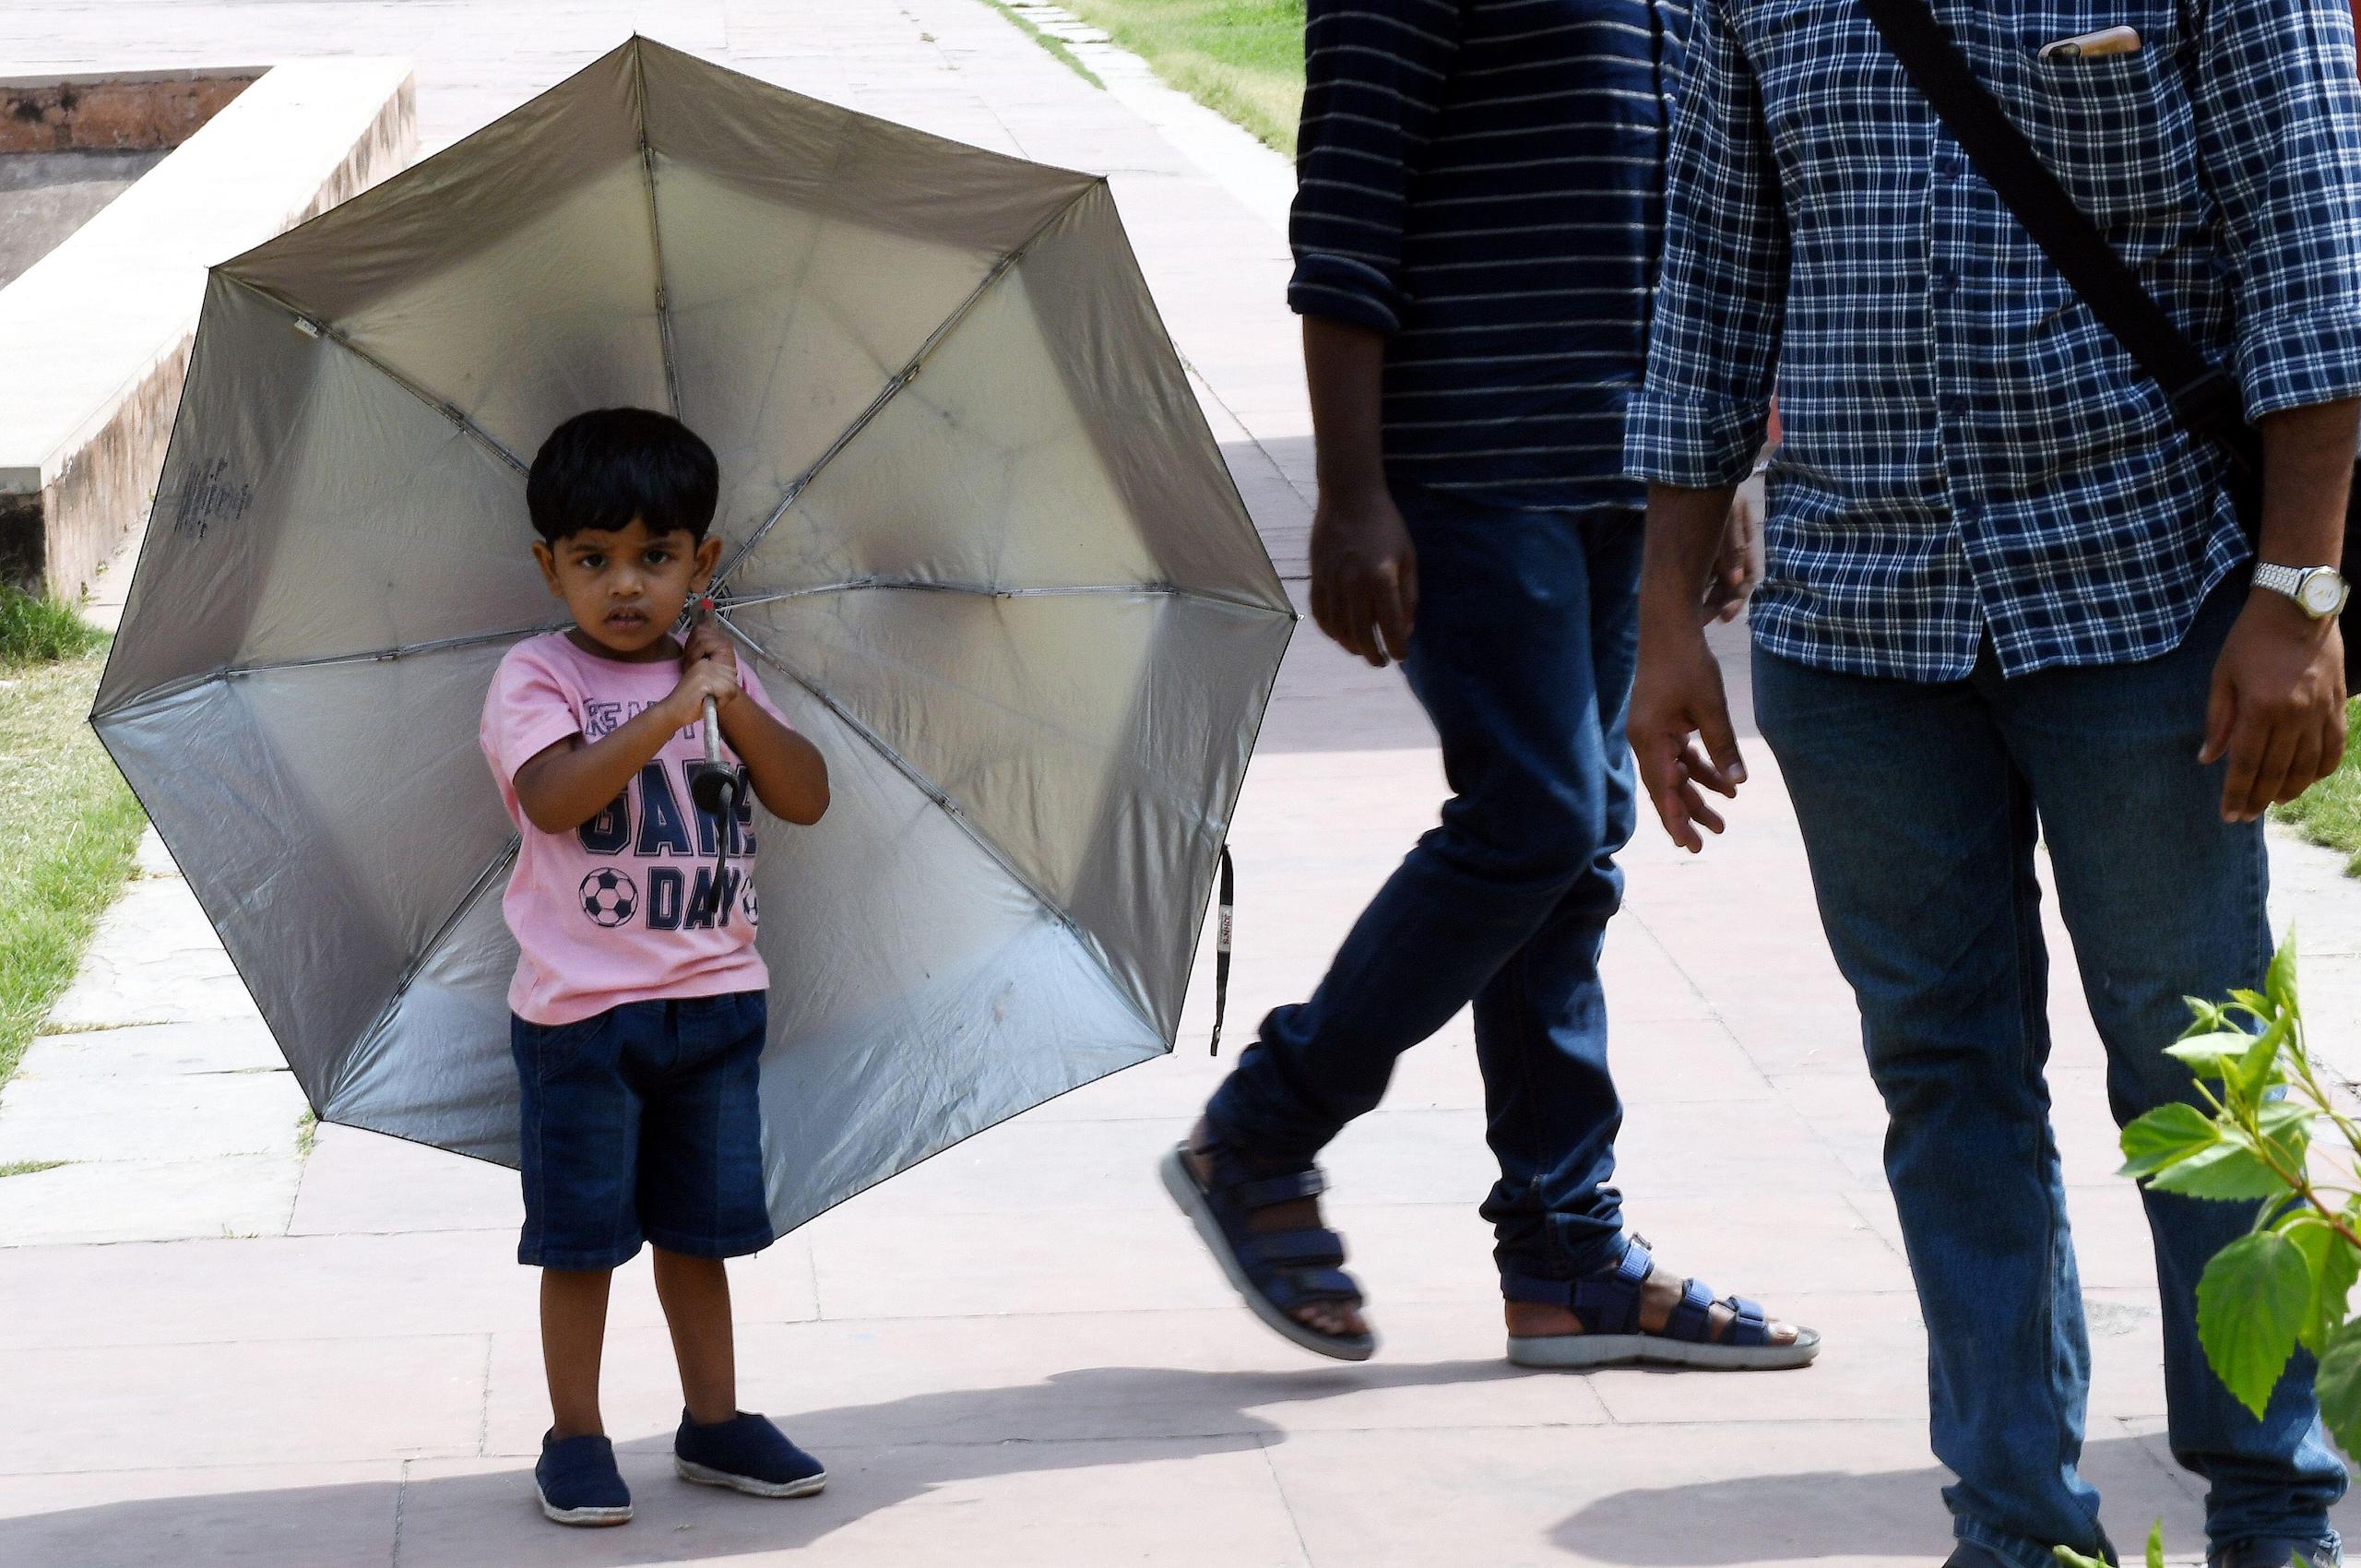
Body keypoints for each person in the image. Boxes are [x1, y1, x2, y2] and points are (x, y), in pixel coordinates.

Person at [1621, 0, 2361, 1558]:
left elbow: (2312, 251)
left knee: (2203, 1069)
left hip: (2149, 602)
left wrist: (2300, 593)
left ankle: (2272, 1514)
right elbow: (1708, 275)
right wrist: (1666, 618)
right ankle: (2017, 1526)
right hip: (1856, 621)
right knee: (1944, 1077)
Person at [1157, 0, 1816, 1372]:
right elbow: (1345, 215)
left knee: (1574, 856)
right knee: (1536, 816)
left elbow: (1700, 220)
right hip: (1465, 470)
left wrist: (1717, 471)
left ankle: (1567, 1253)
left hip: (1620, 469)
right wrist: (1351, 497)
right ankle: (1264, 1128)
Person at [479, 408, 832, 1526]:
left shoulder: (719, 673)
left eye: (655, 557)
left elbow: (806, 795)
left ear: (701, 562)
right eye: (593, 560)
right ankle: (575, 1434)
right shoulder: (538, 677)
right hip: (584, 1018)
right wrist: (671, 708)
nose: (625, 584)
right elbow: (553, 797)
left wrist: (723, 695)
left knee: (701, 1227)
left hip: (717, 1003)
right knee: (580, 1238)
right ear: (550, 565)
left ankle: (713, 1418)